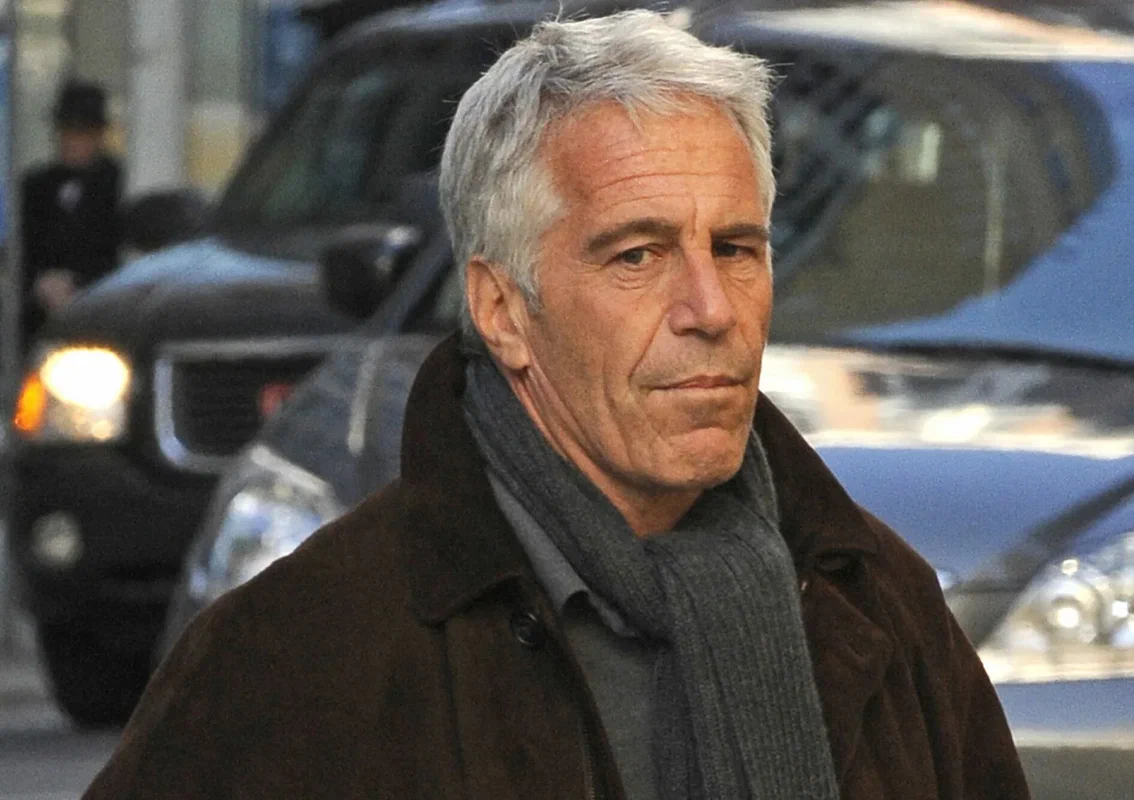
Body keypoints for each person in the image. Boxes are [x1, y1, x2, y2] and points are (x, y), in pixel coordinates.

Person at [85, 11, 1029, 799]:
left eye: (736, 249)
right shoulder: (300, 658)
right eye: (638, 256)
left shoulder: (874, 603)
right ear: (502, 311)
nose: (711, 310)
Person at [21, 80, 123, 348]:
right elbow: (23, 247)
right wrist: (39, 283)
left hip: (100, 316)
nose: (70, 141)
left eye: (81, 133)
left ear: (98, 136)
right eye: (65, 131)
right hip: (38, 322)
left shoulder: (117, 185)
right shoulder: (35, 186)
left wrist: (77, 283)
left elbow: (115, 250)